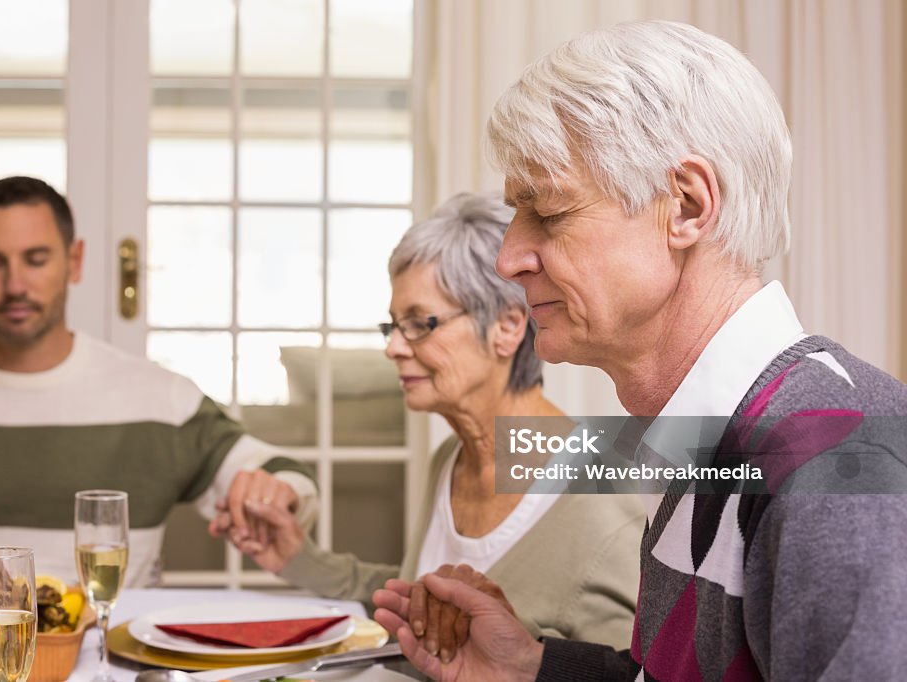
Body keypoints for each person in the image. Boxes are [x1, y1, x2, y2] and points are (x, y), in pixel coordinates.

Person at [373, 20, 907, 681]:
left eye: (550, 212)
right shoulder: (701, 443)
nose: (510, 258)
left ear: (685, 206)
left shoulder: (838, 457)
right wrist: (531, 667)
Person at [215, 193, 644, 649]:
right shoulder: (451, 458)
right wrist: (299, 560)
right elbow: (422, 601)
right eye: (392, 326)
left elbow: (634, 669)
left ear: (507, 327)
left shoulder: (603, 495)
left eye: (420, 323)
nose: (394, 348)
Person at [0, 175, 317, 586]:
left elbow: (285, 474)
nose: (15, 284)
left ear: (74, 262)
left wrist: (277, 491)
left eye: (36, 260)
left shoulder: (159, 399)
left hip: (112, 654)